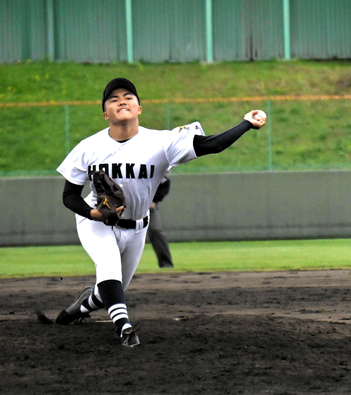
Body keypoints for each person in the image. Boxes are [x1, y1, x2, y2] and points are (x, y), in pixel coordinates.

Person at [54, 77, 266, 348]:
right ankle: (124, 327)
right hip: (97, 222)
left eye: (129, 96)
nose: (122, 99)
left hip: (138, 226)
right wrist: (92, 213)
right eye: (113, 97)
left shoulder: (162, 142)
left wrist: (246, 123)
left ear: (139, 109)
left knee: (114, 286)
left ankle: (81, 307)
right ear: (106, 113)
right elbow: (69, 195)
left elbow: (212, 145)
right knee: (108, 267)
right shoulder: (89, 147)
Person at [148, 177, 174, 268]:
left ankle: (166, 264)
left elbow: (165, 181)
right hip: (126, 207)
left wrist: (155, 200)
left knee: (155, 230)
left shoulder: (146, 168)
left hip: (146, 207)